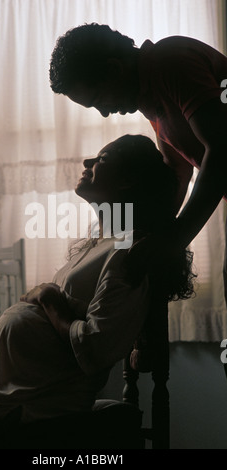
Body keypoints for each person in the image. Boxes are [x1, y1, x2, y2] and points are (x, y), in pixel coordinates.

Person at [0, 134, 195, 449]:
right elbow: (45, 340)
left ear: (128, 181)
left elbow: (98, 347)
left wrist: (50, 299)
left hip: (35, 402)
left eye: (103, 159)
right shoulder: (100, 244)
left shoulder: (129, 253)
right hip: (9, 389)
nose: (88, 163)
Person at [49, 23, 227, 296]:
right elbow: (177, 172)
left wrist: (175, 240)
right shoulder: (150, 97)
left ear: (114, 69)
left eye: (98, 100)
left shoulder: (170, 62)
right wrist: (146, 237)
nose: (104, 113)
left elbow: (222, 146)